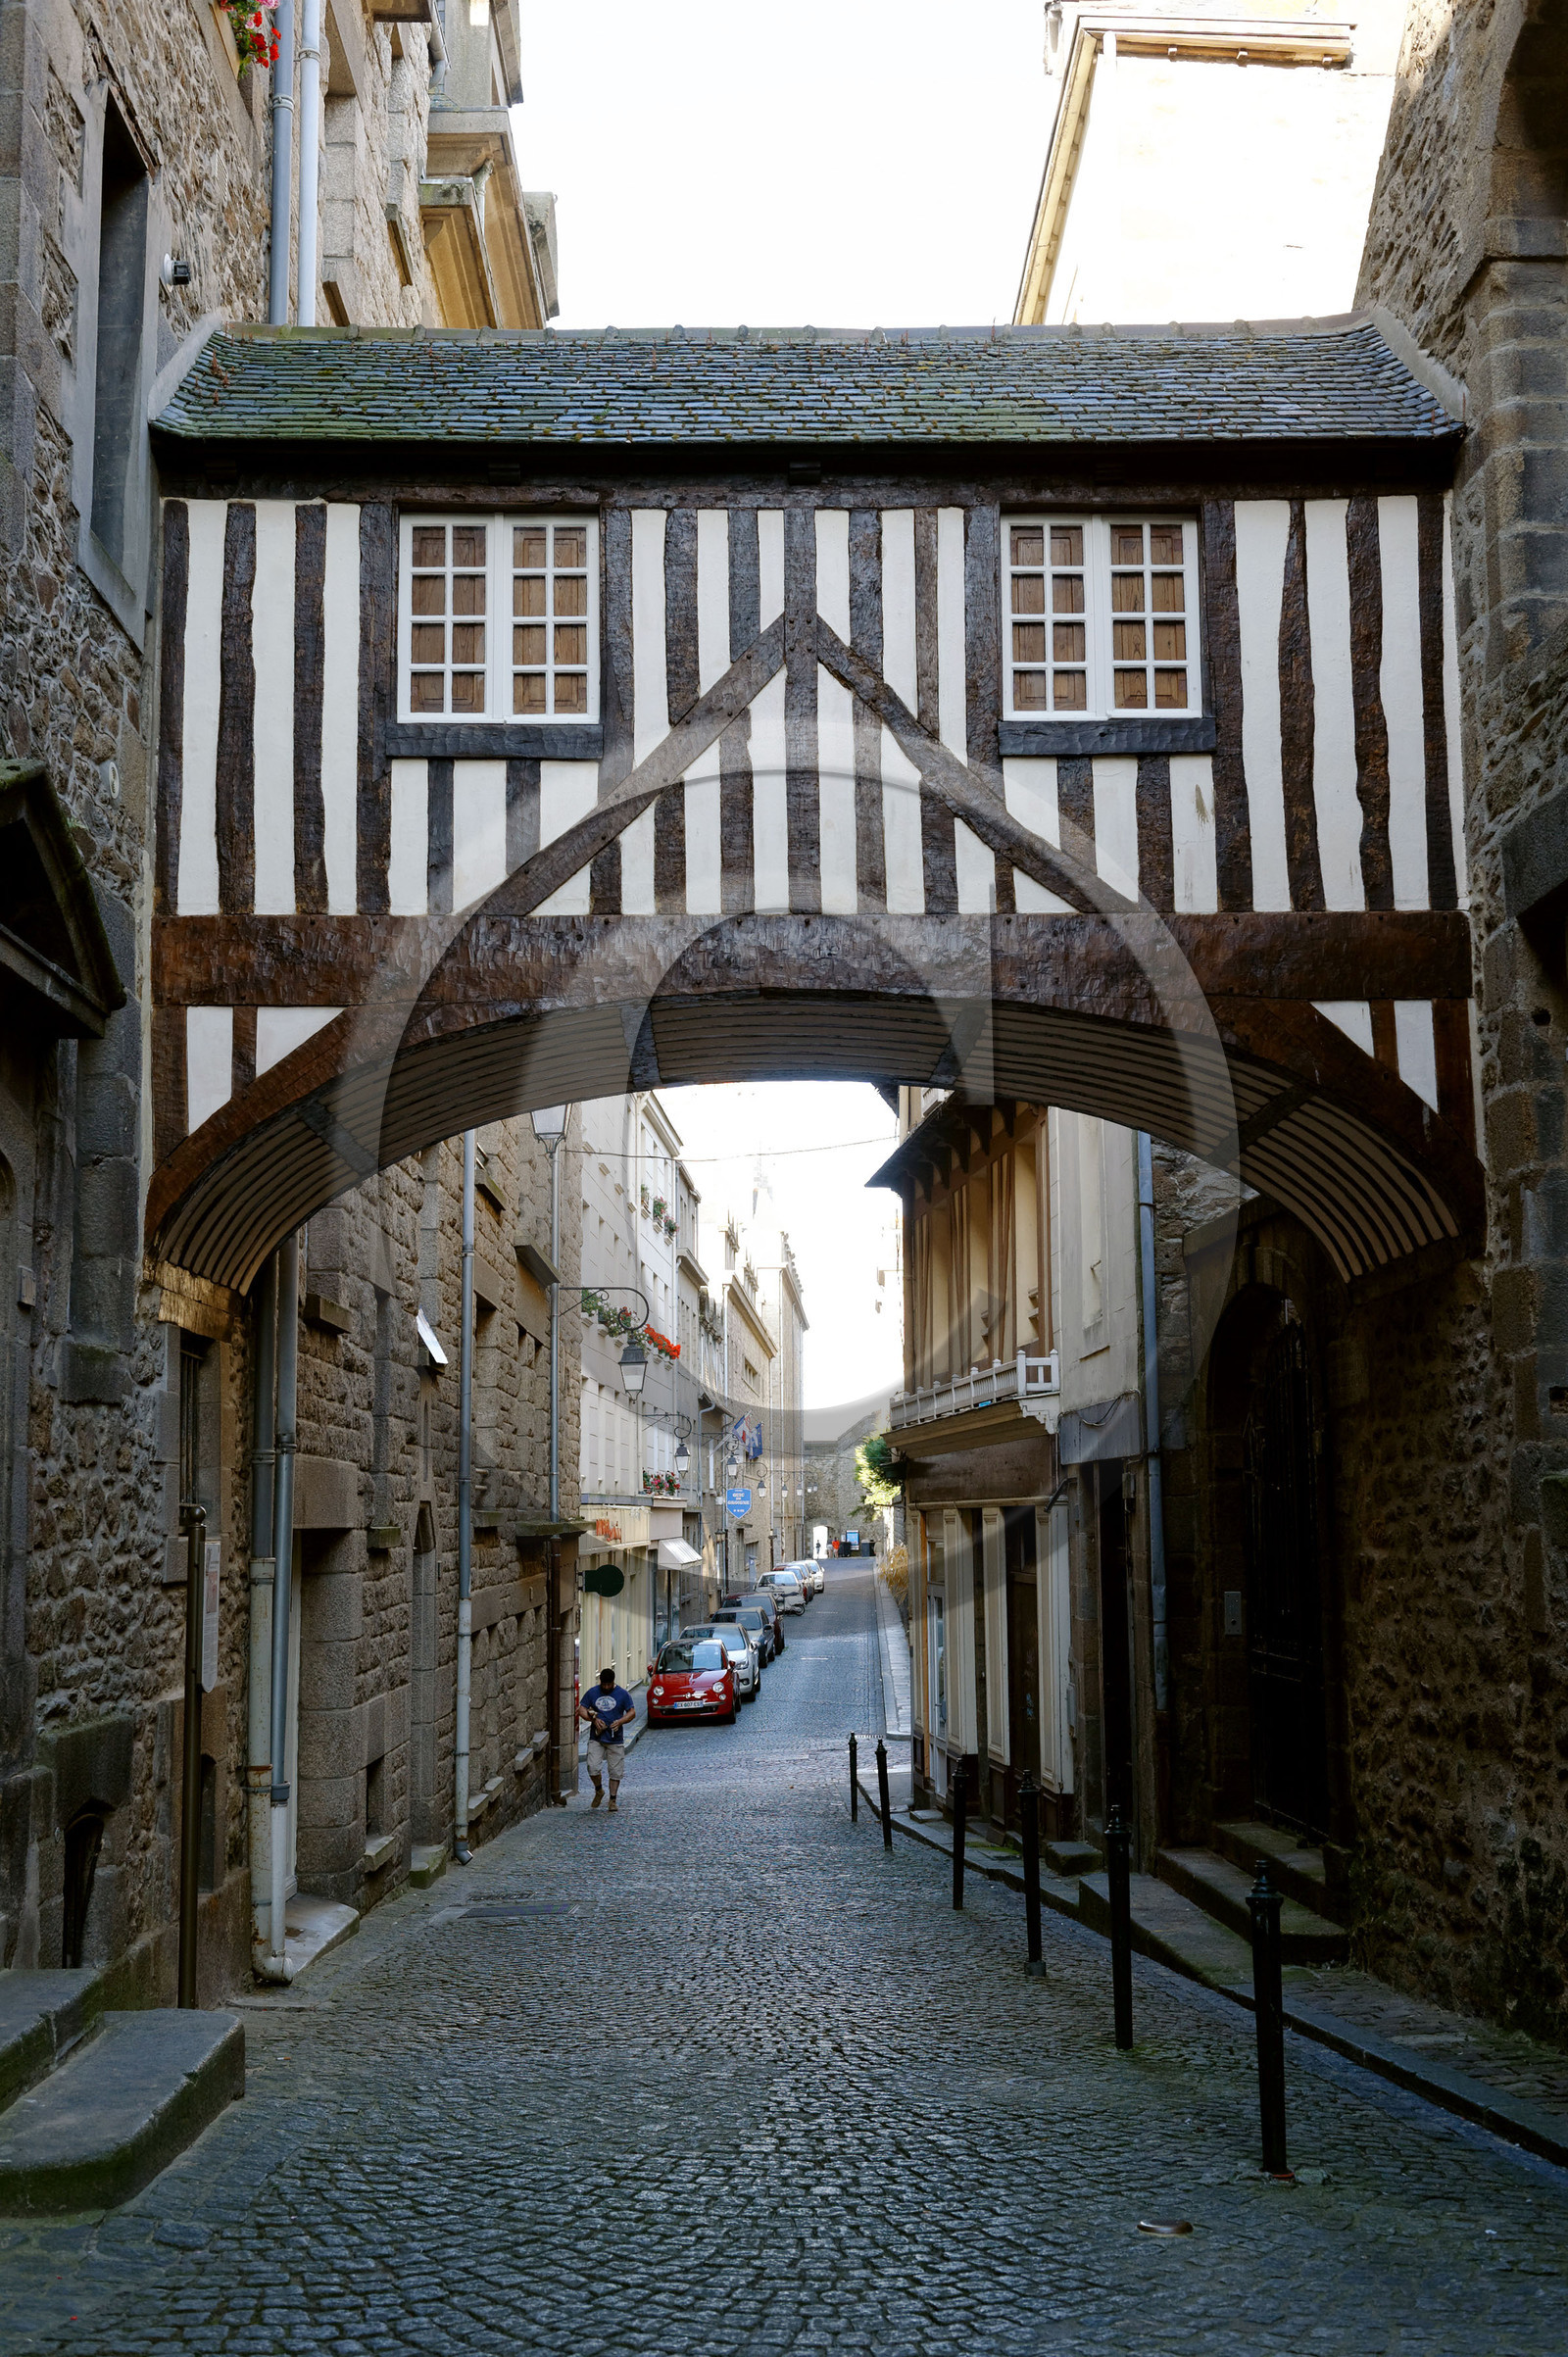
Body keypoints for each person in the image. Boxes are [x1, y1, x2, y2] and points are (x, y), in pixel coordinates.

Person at [578, 1666, 635, 1812]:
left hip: (615, 1738)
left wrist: (621, 1721)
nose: (606, 1687)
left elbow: (632, 1712)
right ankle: (599, 1790)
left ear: (613, 1682)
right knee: (592, 1767)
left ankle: (612, 1800)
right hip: (596, 1737)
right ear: (600, 1682)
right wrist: (592, 1720)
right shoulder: (592, 1692)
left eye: (609, 1684)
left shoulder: (622, 1694)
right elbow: (582, 1709)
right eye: (604, 1684)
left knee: (615, 1771)